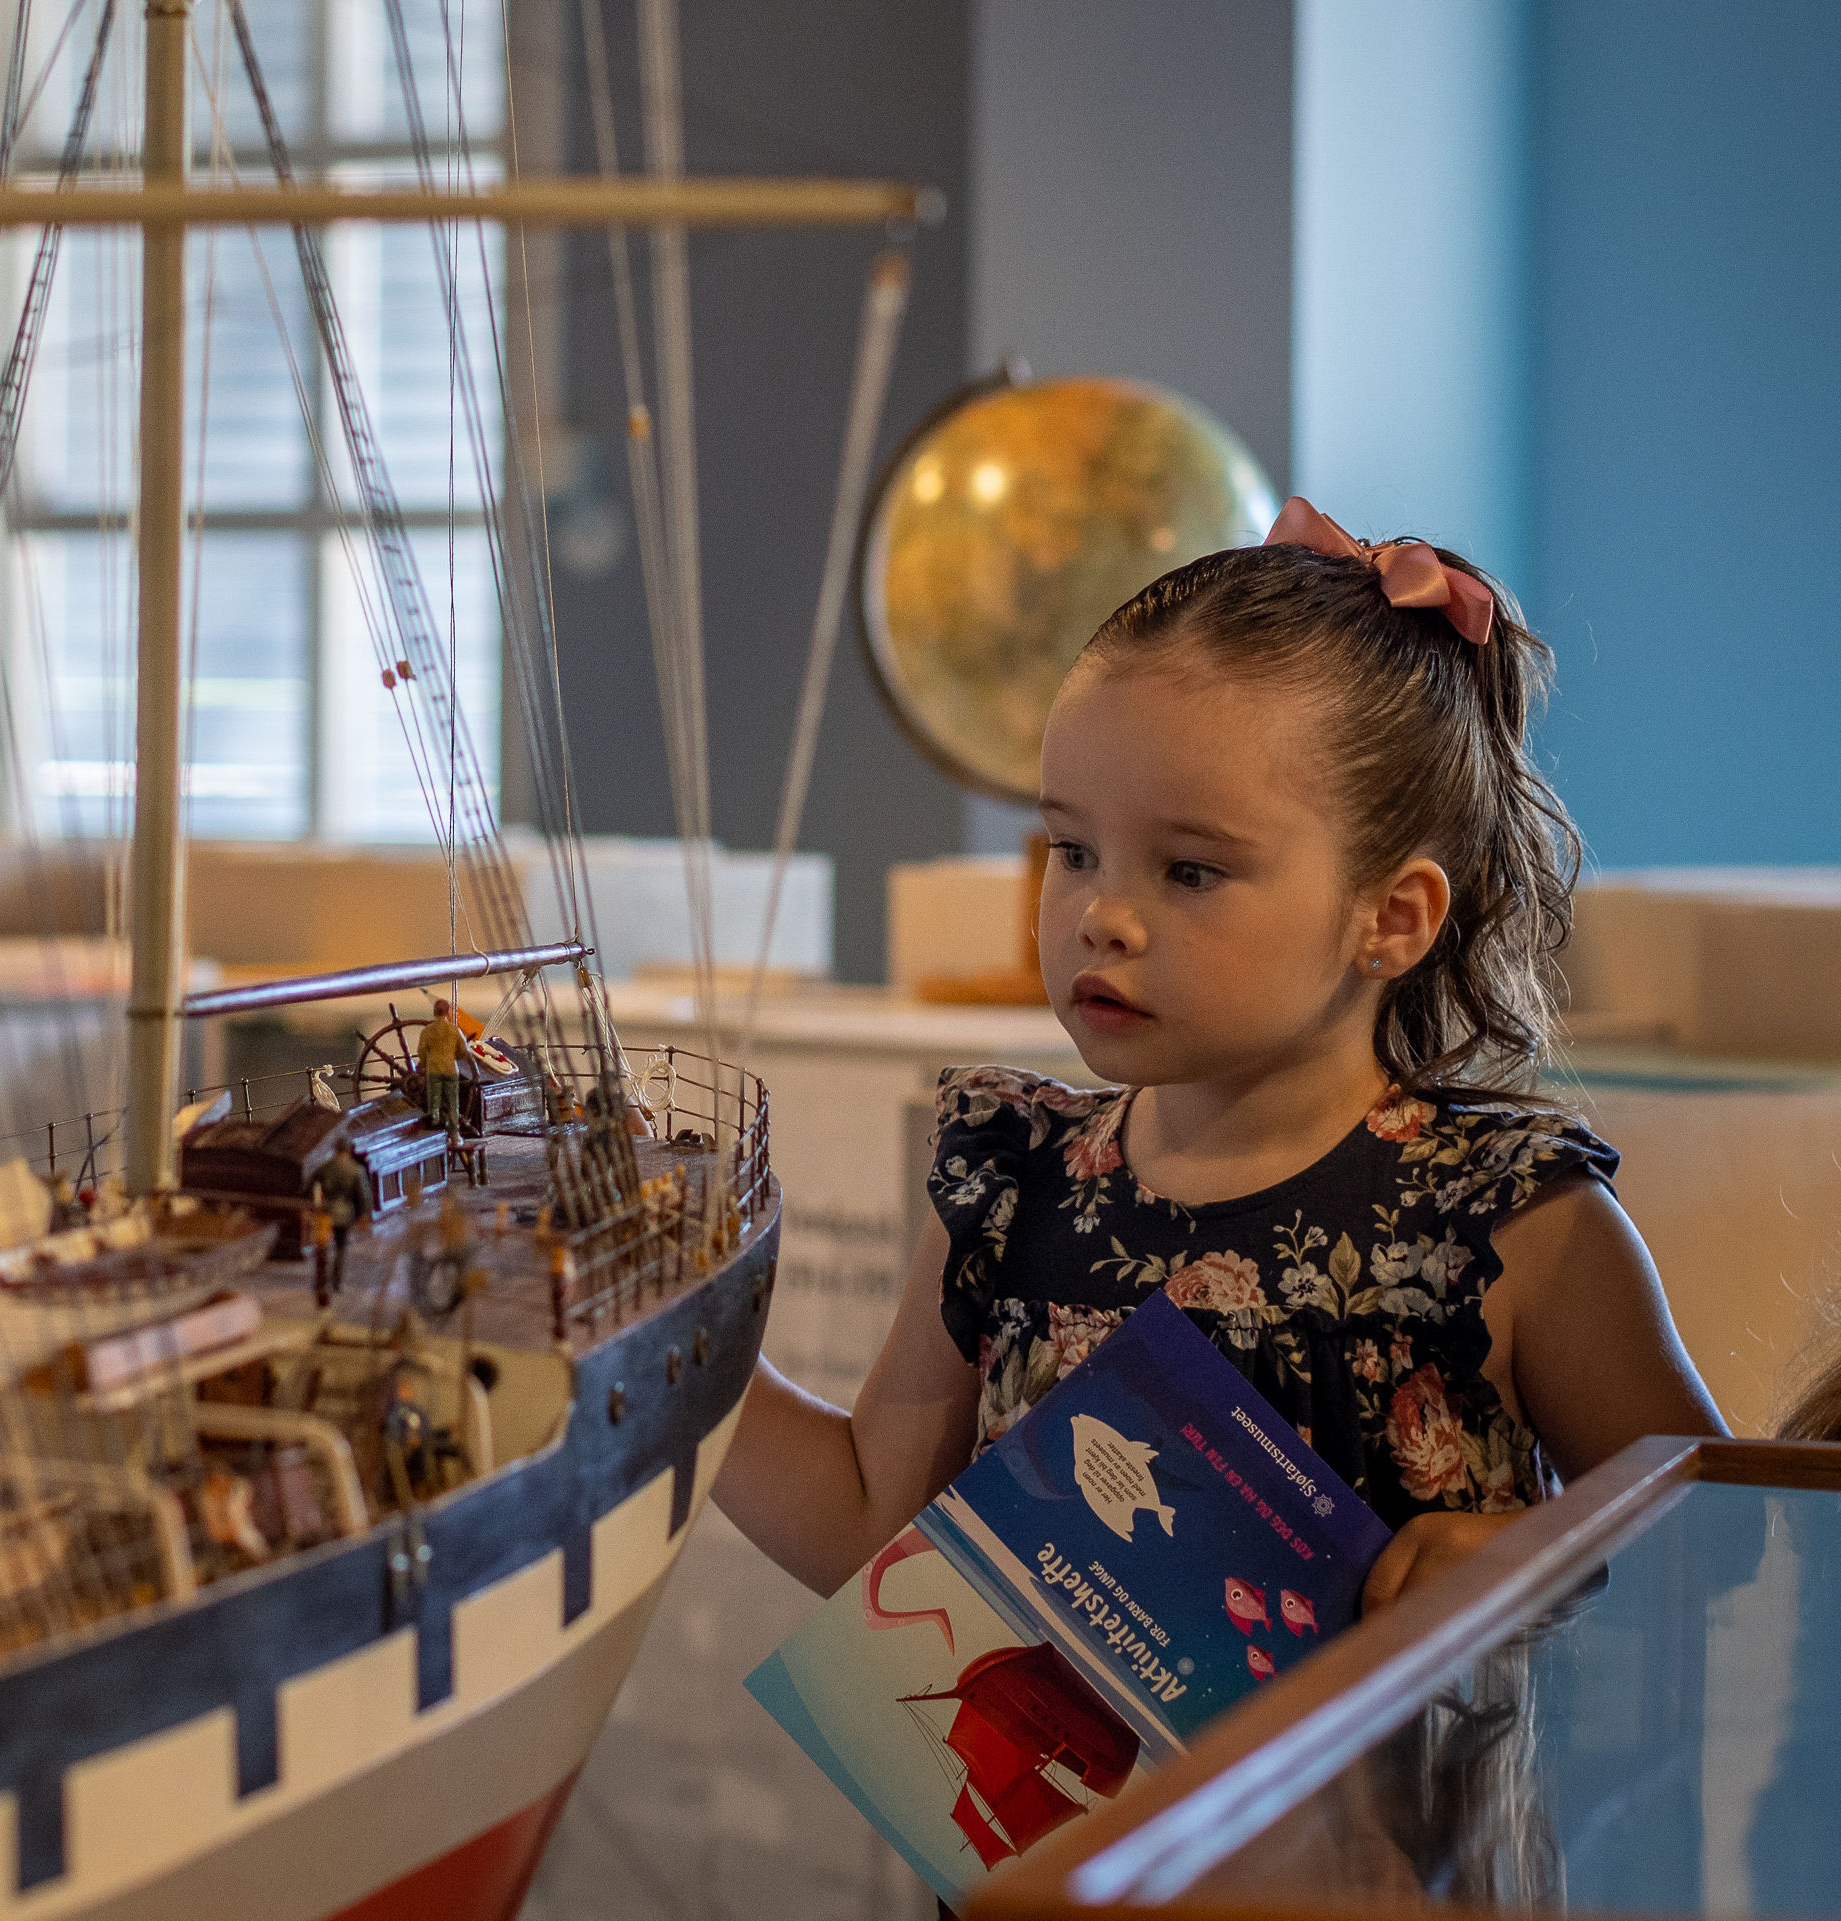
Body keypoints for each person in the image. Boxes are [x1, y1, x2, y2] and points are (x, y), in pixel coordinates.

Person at [716, 497, 1722, 1615]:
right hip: (1095, 1794)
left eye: (1188, 869)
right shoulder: (1010, 1182)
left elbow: (1722, 1538)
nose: (1102, 915)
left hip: (1408, 1796)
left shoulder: (1516, 1221)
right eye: (1074, 848)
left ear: (1390, 917)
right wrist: (664, 1350)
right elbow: (869, 1525)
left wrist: (1535, 1559)